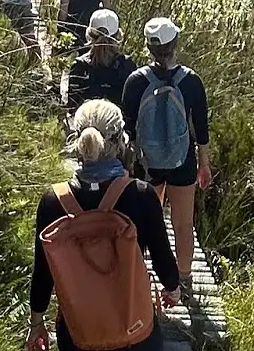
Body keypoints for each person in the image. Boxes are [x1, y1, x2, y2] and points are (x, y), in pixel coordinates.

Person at [26, 99, 181, 351]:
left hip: (78, 332)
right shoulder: (141, 194)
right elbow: (162, 257)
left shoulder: (53, 201)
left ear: (78, 141)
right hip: (134, 330)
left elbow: (43, 273)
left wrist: (36, 323)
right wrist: (172, 288)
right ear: (121, 141)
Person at [121, 17, 212, 296]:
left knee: (146, 222)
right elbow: (201, 129)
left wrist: (127, 169)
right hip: (182, 162)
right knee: (183, 225)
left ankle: (141, 278)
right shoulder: (191, 81)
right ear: (175, 44)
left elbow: (127, 130)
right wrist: (204, 165)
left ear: (149, 48)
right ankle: (183, 279)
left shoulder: (136, 81)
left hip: (146, 163)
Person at [66, 9, 136, 147]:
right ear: (118, 36)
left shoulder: (79, 66)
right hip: (117, 139)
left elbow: (72, 107)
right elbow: (132, 109)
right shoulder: (127, 66)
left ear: (89, 35)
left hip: (87, 141)